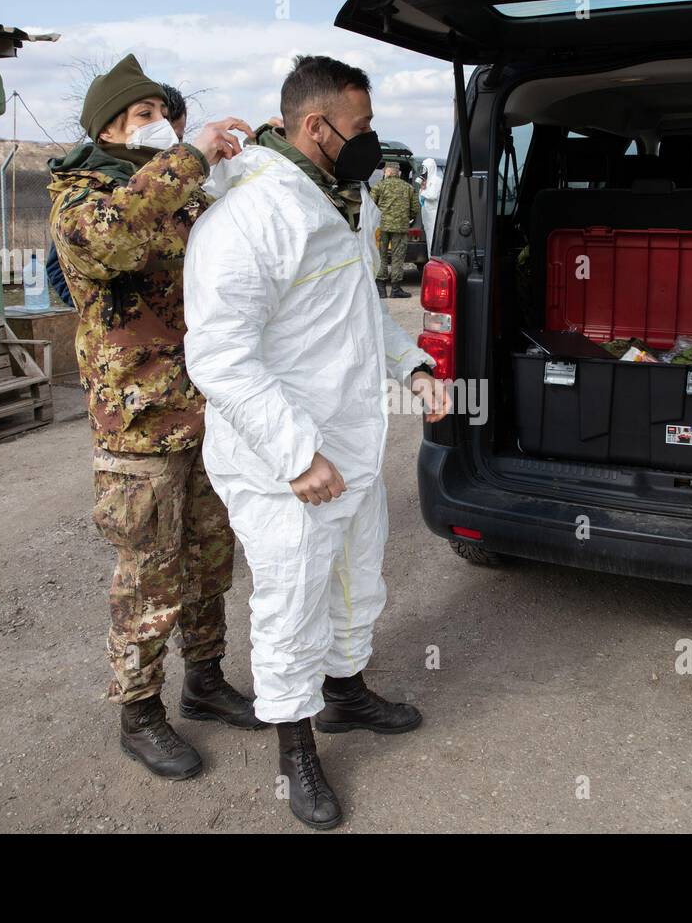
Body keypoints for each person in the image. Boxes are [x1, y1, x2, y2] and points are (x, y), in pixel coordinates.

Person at [184, 55, 452, 830]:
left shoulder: (326, 197)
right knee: (292, 606)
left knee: (354, 581)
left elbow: (353, 309)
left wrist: (412, 364)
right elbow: (221, 355)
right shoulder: (248, 216)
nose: (370, 142)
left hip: (349, 441)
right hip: (288, 465)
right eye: (361, 128)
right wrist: (297, 454)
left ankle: (345, 693)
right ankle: (295, 746)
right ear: (316, 127)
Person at [47, 54, 264, 781]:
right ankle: (139, 713)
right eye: (143, 117)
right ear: (107, 126)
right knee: (148, 572)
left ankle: (205, 681)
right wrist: (189, 156)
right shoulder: (81, 199)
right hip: (138, 426)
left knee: (209, 558)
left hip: (208, 411)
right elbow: (117, 240)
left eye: (164, 117)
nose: (160, 128)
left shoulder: (176, 192)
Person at [45, 81, 191, 309]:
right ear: (107, 130)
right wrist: (98, 311)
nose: (170, 139)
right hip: (132, 340)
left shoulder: (182, 187)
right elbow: (62, 265)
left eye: (179, 137)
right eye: (146, 114)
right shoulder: (87, 196)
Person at [369, 163, 420, 298]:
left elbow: (371, 204)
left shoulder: (379, 186)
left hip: (382, 227)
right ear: (397, 173)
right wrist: (408, 218)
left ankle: (381, 289)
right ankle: (396, 289)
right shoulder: (408, 187)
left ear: (387, 172)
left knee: (381, 256)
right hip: (400, 228)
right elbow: (415, 208)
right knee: (398, 257)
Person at [418, 156, 441, 248]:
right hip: (426, 214)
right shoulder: (426, 181)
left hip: (433, 214)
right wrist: (422, 188)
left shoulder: (437, 181)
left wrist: (423, 192)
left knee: (432, 239)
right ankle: (429, 258)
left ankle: (433, 258)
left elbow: (432, 195)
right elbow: (421, 200)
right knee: (428, 239)